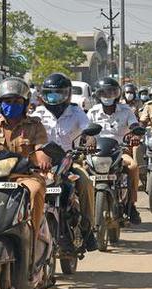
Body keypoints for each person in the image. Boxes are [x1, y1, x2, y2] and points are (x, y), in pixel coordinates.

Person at [0, 77, 51, 239]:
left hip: (24, 177)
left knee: (35, 191)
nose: (12, 104)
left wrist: (43, 160)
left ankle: (33, 237)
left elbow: (40, 148)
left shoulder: (35, 126)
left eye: (17, 101)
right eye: (7, 100)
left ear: (25, 103)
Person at [31, 73, 99, 250]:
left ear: (67, 94)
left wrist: (90, 139)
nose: (53, 98)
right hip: (42, 165)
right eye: (49, 94)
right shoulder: (36, 114)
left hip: (69, 161)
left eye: (58, 94)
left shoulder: (76, 112)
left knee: (86, 183)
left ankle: (87, 229)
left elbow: (87, 129)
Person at [87, 77, 142, 224]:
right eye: (104, 93)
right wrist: (89, 139)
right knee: (80, 173)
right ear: (98, 95)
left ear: (117, 94)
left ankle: (131, 205)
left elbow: (134, 125)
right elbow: (86, 131)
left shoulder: (126, 110)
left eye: (112, 92)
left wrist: (135, 134)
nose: (108, 96)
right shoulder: (93, 112)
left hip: (119, 151)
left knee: (133, 167)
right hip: (96, 154)